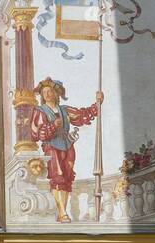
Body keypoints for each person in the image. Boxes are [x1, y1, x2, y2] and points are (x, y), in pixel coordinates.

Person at [30, 77, 103, 223]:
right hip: (52, 146)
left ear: (56, 93)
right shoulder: (40, 111)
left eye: (50, 91)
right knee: (58, 176)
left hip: (67, 145)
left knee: (66, 179)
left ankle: (63, 210)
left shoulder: (64, 110)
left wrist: (98, 103)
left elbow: (81, 116)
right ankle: (62, 212)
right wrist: (52, 126)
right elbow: (36, 132)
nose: (47, 94)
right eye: (44, 92)